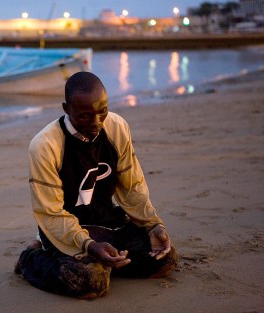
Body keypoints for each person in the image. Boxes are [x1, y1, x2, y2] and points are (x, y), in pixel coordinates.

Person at [15, 71, 178, 299]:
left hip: (108, 224)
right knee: (92, 283)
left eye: (102, 112)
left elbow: (132, 187)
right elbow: (50, 213)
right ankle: (31, 259)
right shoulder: (45, 145)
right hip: (66, 230)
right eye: (84, 116)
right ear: (66, 108)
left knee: (165, 259)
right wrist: (89, 246)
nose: (96, 123)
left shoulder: (117, 127)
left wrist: (152, 225)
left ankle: (105, 263)